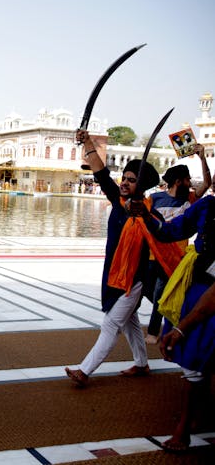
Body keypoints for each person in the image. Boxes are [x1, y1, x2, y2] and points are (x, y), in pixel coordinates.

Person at [65, 130, 184, 387]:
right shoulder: (119, 202)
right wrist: (87, 141)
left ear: (141, 186)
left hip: (135, 280)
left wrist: (143, 215)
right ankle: (141, 364)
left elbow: (163, 234)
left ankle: (84, 371)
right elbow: (99, 171)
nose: (125, 182)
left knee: (110, 325)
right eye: (125, 178)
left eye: (132, 180)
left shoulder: (149, 212)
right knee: (130, 323)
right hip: (114, 274)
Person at [134, 193, 215, 452]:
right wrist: (146, 215)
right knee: (194, 358)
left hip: (208, 296)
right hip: (201, 290)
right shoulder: (207, 205)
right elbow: (169, 232)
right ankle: (186, 423)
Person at [144, 148, 210, 344]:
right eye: (188, 180)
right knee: (152, 292)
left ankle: (155, 333)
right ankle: (169, 325)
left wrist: (202, 157)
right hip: (153, 255)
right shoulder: (155, 199)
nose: (191, 184)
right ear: (178, 181)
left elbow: (207, 183)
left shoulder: (190, 200)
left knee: (160, 293)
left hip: (176, 259)